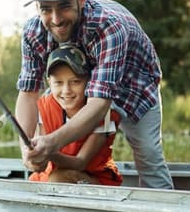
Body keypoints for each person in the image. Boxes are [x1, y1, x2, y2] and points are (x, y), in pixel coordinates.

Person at [16, 0, 174, 189]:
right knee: (51, 149)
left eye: (64, 6)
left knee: (148, 155)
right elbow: (29, 93)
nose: (56, 19)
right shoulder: (33, 32)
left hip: (134, 86)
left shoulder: (109, 27)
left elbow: (99, 102)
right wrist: (27, 147)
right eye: (46, 9)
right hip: (80, 84)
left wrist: (51, 143)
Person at [27, 44, 123, 186]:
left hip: (94, 177)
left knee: (57, 179)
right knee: (40, 181)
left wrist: (47, 152)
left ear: (88, 82)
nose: (66, 90)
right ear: (49, 82)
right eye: (58, 83)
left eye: (75, 82)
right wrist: (36, 156)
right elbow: (42, 145)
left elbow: (80, 162)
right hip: (51, 174)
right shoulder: (45, 106)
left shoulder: (104, 113)